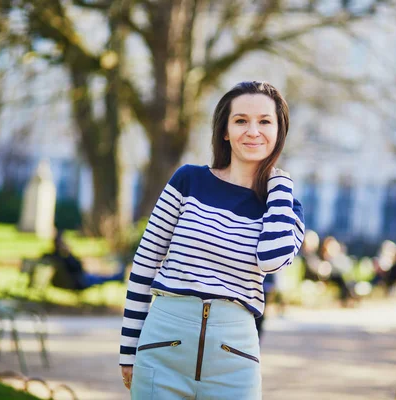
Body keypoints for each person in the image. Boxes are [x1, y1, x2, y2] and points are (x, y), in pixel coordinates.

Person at [118, 81, 304, 399]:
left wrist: (280, 182)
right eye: (241, 120)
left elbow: (272, 260)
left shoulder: (285, 207)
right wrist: (128, 350)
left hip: (235, 360)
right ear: (225, 131)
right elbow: (145, 264)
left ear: (279, 131)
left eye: (265, 121)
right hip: (162, 348)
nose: (253, 131)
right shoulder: (188, 180)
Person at [45, 230, 124, 290]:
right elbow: (78, 267)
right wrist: (69, 253)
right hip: (79, 282)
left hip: (78, 279)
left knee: (98, 275)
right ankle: (119, 277)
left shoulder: (55, 256)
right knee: (101, 278)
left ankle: (118, 276)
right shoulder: (64, 257)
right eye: (64, 242)